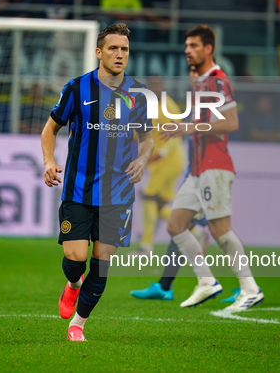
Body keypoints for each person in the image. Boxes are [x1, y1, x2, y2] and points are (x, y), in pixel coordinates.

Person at [41, 23, 154, 342]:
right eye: (114, 48)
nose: (120, 54)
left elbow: (147, 139)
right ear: (99, 52)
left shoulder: (138, 93)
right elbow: (50, 129)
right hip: (78, 190)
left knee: (102, 264)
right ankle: (73, 285)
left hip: (117, 195)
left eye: (125, 50)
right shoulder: (77, 88)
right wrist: (49, 160)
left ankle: (77, 325)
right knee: (76, 259)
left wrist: (143, 158)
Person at [147, 25, 263, 311]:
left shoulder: (219, 81)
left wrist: (187, 127)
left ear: (208, 49)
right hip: (196, 169)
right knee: (176, 226)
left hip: (215, 166)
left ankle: (250, 288)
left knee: (220, 229)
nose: (187, 50)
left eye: (194, 46)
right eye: (186, 45)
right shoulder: (200, 81)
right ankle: (206, 282)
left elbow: (232, 122)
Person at [130, 75, 186, 256]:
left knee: (148, 197)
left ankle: (146, 246)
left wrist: (160, 154)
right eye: (152, 85)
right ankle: (193, 231)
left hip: (169, 161)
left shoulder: (169, 106)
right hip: (159, 163)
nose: (155, 87)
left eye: (158, 84)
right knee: (160, 204)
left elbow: (177, 134)